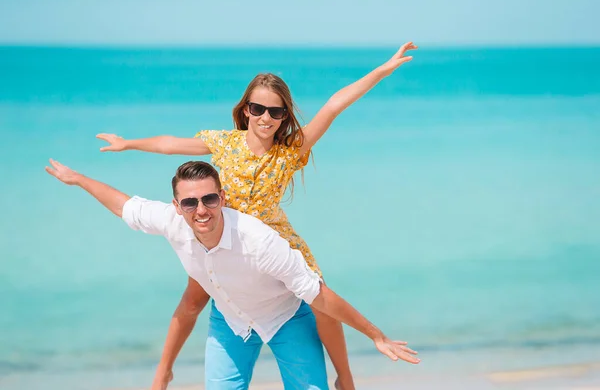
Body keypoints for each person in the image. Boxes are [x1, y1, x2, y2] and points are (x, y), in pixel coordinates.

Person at [95, 42, 418, 390]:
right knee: (193, 299)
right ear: (246, 109)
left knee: (321, 299)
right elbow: (170, 144)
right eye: (258, 108)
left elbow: (334, 105)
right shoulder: (225, 143)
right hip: (222, 236)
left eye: (276, 112)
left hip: (271, 238)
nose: (266, 117)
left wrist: (382, 70)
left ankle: (345, 376)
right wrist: (128, 143)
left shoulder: (290, 150)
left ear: (284, 117)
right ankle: (164, 372)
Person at [45, 159, 420, 390]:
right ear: (177, 207)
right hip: (230, 322)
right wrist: (79, 179)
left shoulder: (259, 240)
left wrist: (377, 335)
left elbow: (319, 295)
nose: (201, 210)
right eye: (190, 202)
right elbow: (123, 204)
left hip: (285, 317)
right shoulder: (170, 221)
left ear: (222, 198)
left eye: (209, 199)